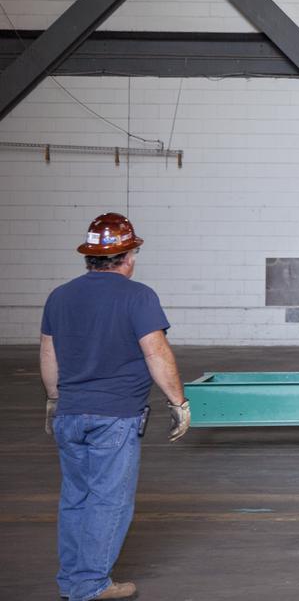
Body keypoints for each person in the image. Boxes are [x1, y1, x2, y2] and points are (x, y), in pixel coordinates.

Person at [40, 213, 191, 601]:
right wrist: (178, 402)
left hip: (70, 414)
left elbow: (49, 354)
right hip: (115, 417)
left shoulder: (60, 296)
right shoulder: (138, 296)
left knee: (76, 498)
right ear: (129, 255)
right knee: (109, 501)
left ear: (89, 256)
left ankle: (72, 580)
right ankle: (90, 586)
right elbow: (156, 352)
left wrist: (55, 399)